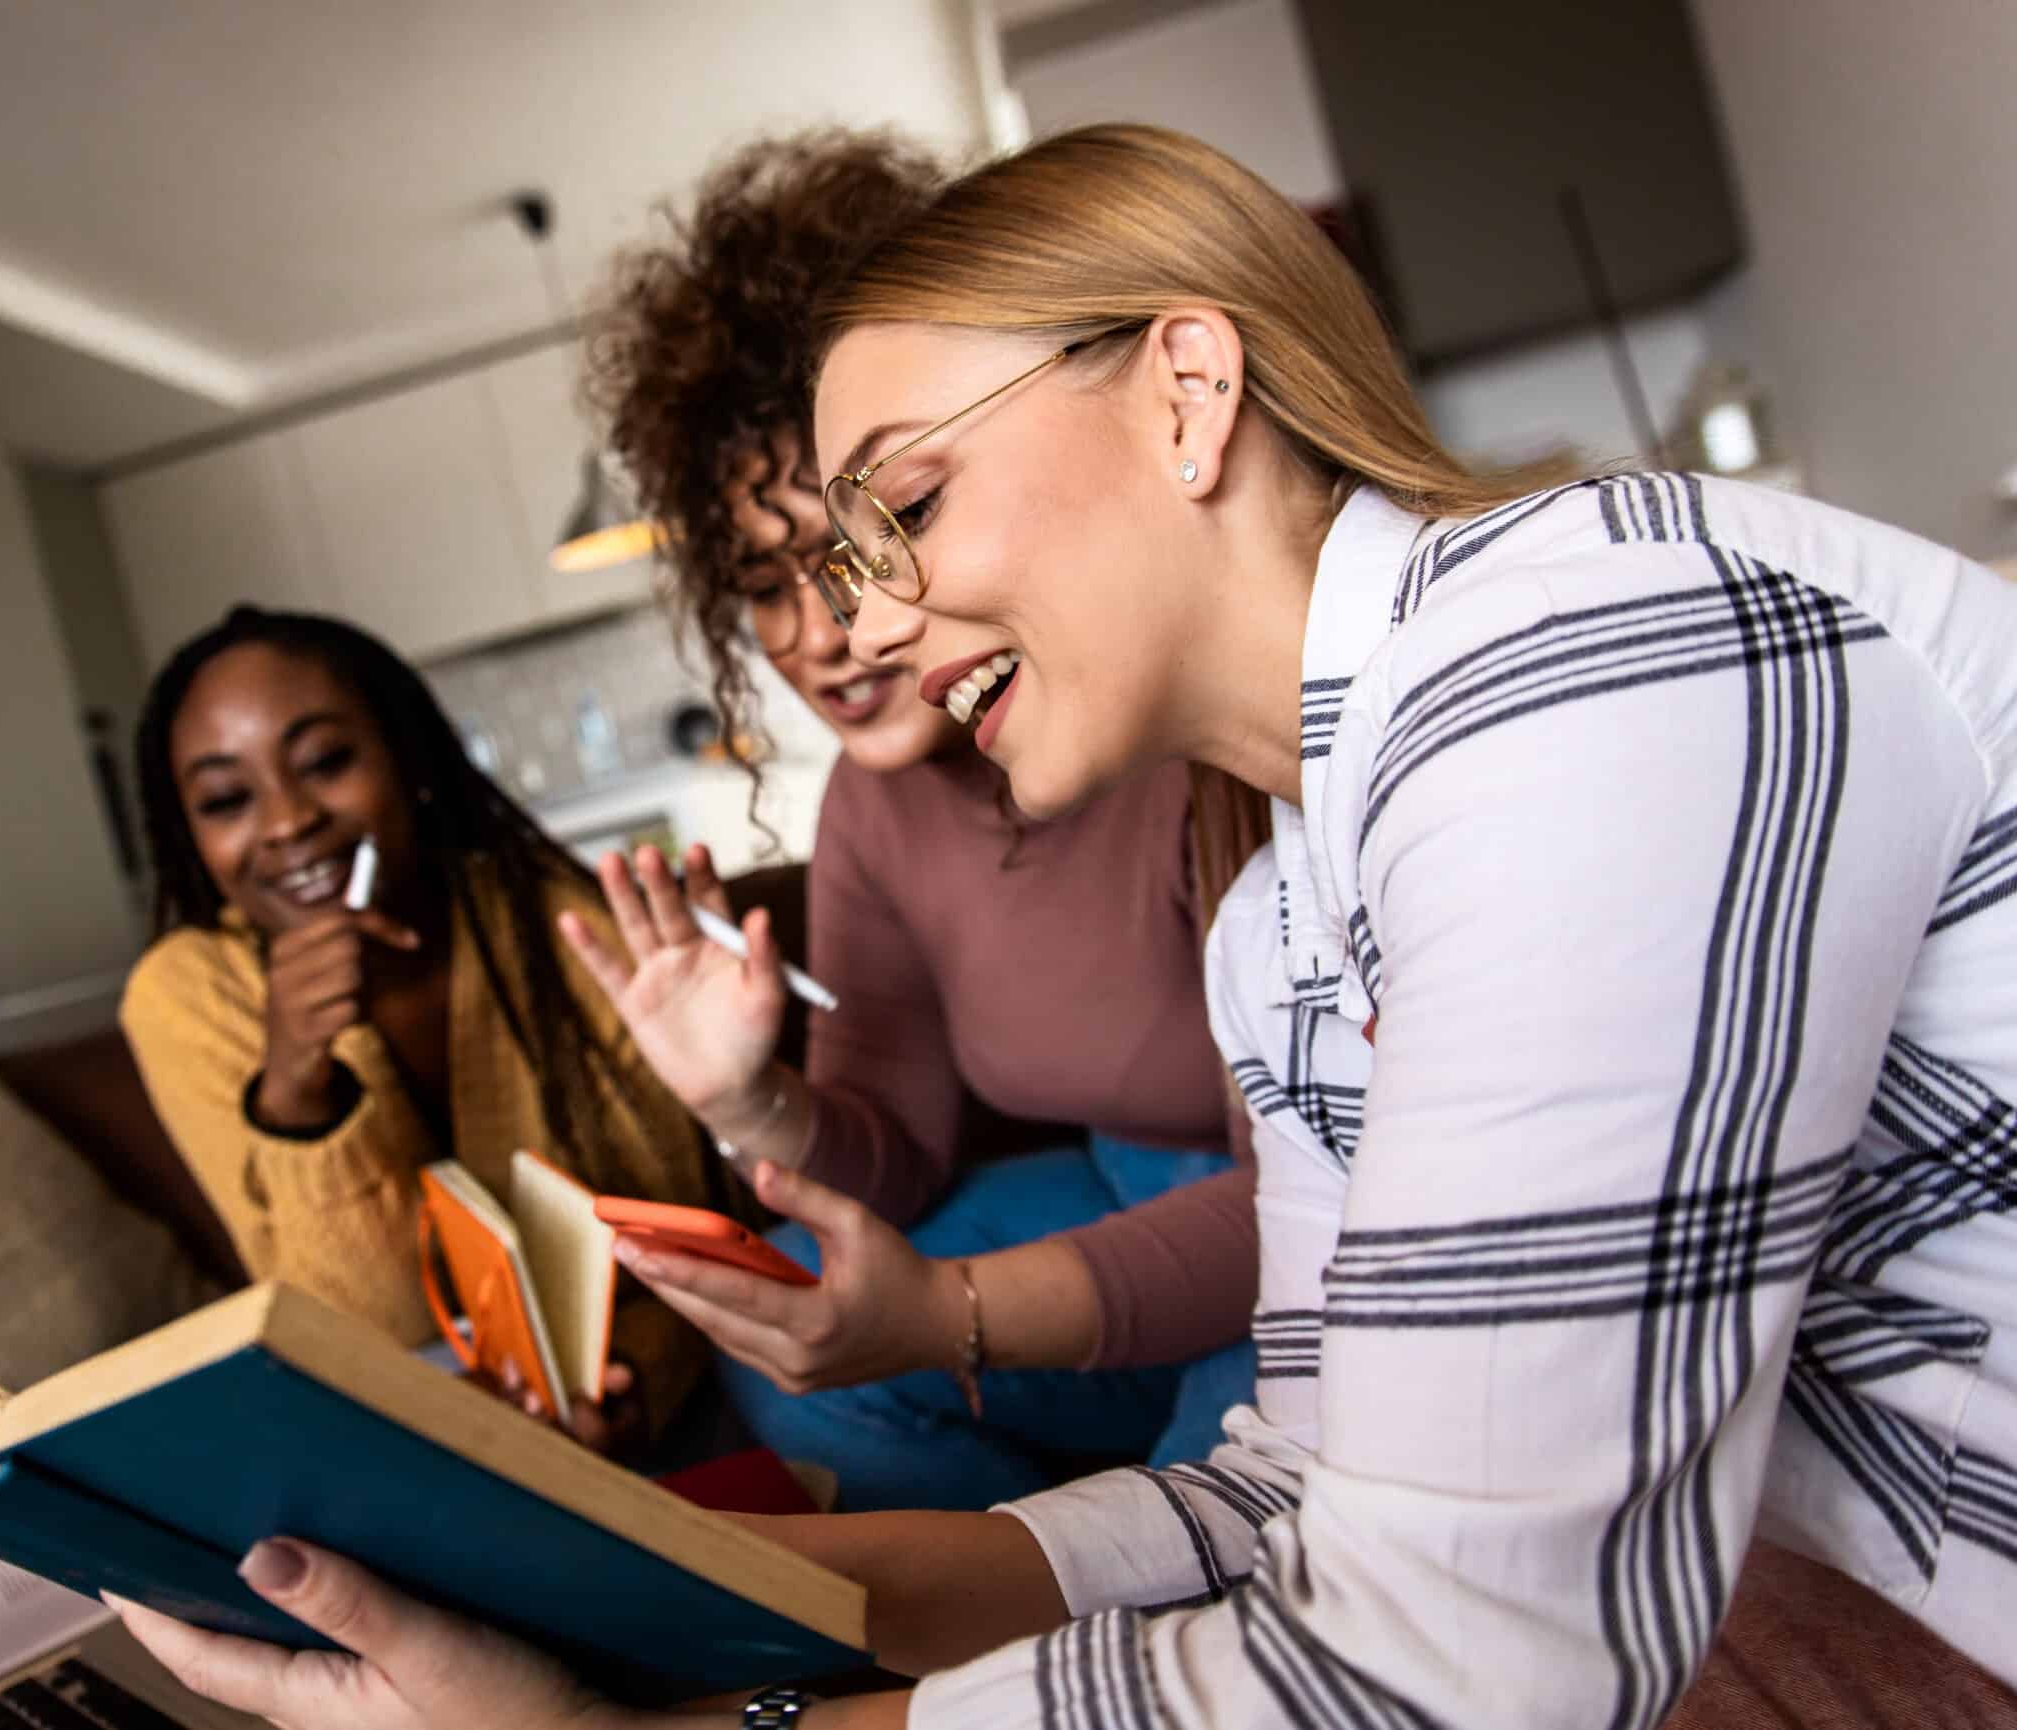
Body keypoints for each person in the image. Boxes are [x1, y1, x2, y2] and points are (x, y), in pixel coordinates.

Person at [108, 125, 2017, 1728]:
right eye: (822, 569)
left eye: (905, 508)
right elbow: (1296, 1490)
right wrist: (687, 1587)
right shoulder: (1287, 911)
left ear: (1190, 391)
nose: (867, 623)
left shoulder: (1588, 668)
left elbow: (1456, 1666)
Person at [567, 130, 1262, 1512]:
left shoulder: (1185, 714)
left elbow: (1316, 1200)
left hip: (1282, 1212)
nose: (838, 627)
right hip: (1114, 1194)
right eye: (768, 580)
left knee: (1229, 1501)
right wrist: (747, 1096)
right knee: (792, 1353)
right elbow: (896, 1143)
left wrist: (952, 1310)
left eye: (884, 526)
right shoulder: (873, 806)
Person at [120, 605, 736, 1454]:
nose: (288, 821)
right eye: (226, 799)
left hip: (658, 1410)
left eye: (326, 762)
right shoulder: (185, 996)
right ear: (192, 838)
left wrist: (624, 1381)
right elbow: (374, 1329)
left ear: (408, 760)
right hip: (397, 1447)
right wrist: (298, 1084)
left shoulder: (561, 926)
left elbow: (687, 1229)